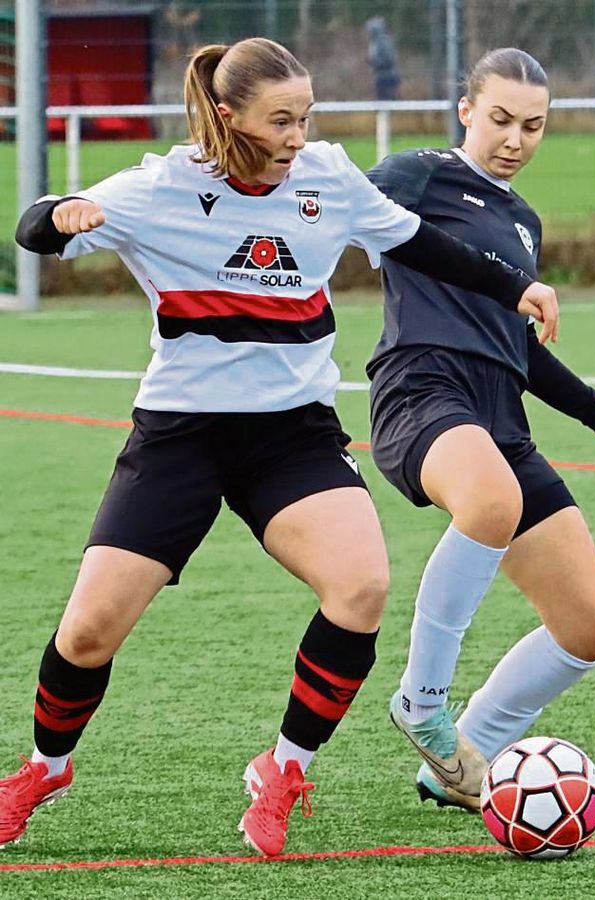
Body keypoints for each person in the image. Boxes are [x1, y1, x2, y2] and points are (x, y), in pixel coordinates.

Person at [3, 39, 559, 856]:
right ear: (228, 118)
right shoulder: (162, 187)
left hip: (291, 435)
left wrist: (517, 286)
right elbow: (32, 231)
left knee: (361, 586)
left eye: (306, 116)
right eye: (280, 121)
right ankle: (44, 768)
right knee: (87, 632)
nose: (299, 135)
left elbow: (417, 243)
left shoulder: (328, 176)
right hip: (180, 435)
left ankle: (283, 768)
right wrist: (61, 214)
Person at [365, 47, 595, 810]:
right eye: (499, 119)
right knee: (489, 502)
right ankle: (421, 703)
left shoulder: (523, 221)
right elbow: (332, 215)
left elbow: (519, 345)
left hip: (501, 415)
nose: (515, 139)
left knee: (590, 623)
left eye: (533, 126)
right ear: (466, 110)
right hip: (420, 391)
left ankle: (460, 760)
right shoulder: (414, 173)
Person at [364, 17, 401, 101]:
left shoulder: (383, 42)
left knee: (388, 100)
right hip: (380, 76)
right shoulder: (375, 43)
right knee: (382, 100)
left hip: (388, 76)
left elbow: (389, 60)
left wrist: (374, 62)